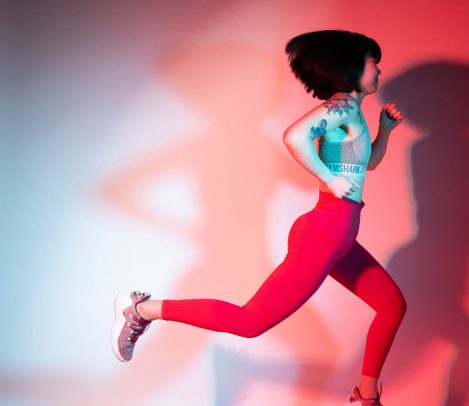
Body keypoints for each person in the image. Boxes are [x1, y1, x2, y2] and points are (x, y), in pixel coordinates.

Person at [111, 29, 405, 406]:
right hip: (324, 233)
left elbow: (368, 166)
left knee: (392, 305)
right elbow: (294, 135)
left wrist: (385, 132)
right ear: (350, 67)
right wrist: (328, 177)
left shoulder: (353, 113)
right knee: (250, 323)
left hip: (341, 236)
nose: (378, 68)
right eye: (371, 60)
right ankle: (139, 310)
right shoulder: (342, 109)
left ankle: (366, 398)